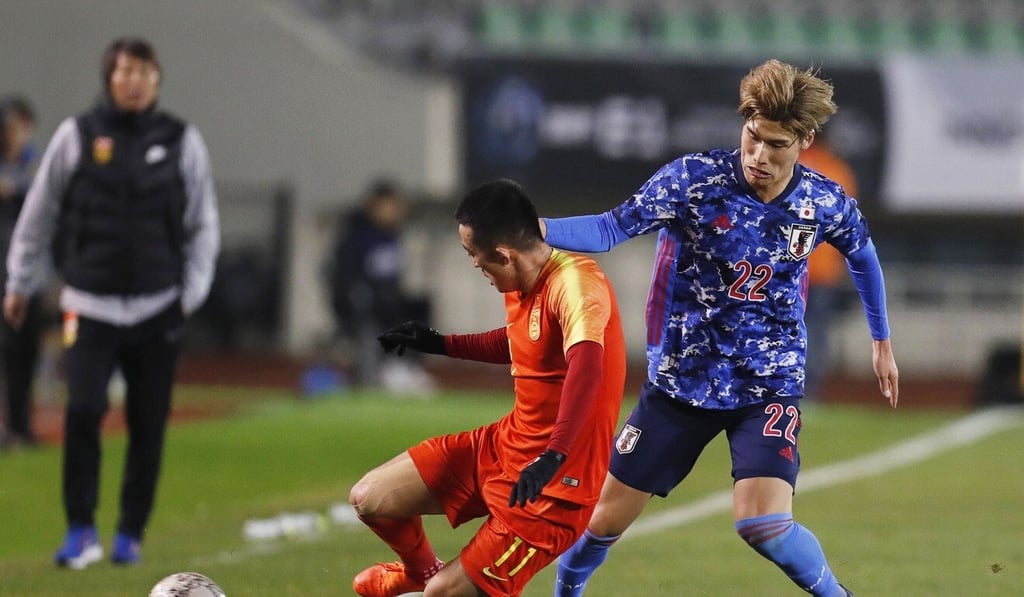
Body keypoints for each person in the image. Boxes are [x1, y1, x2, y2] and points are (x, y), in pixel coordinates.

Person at [542, 59, 899, 597]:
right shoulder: (694, 179)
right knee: (600, 521)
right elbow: (613, 226)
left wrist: (881, 341)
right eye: (753, 137)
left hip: (767, 382)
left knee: (763, 524)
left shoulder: (822, 200)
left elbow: (864, 257)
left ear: (805, 139)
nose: (759, 155)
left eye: (777, 145)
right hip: (682, 379)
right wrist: (535, 229)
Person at [349, 179, 627, 597]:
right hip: (502, 449)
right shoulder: (520, 282)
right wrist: (438, 343)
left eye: (475, 256)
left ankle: (437, 585)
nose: (475, 267)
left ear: (503, 253)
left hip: (552, 492)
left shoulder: (576, 284)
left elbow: (586, 368)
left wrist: (554, 455)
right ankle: (420, 572)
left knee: (443, 595)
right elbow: (520, 343)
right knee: (370, 497)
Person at [3, 36, 220, 569]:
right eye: (124, 71)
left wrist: (188, 296)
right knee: (82, 410)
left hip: (158, 306)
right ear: (109, 78)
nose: (134, 80)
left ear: (157, 79)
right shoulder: (75, 136)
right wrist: (18, 281)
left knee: (148, 422)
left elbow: (203, 225)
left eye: (144, 70)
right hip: (89, 303)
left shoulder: (181, 140)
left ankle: (129, 532)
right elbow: (40, 211)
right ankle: (80, 530)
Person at [325, 179, 434, 391]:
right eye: (391, 206)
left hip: (386, 300)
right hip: (360, 303)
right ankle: (383, 371)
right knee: (378, 312)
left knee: (420, 306)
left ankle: (405, 366)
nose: (396, 211)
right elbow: (344, 279)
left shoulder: (392, 237)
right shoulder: (356, 237)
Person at [799, 126, 861, 402]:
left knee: (778, 330)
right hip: (823, 268)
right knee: (816, 332)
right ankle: (809, 392)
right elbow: (846, 223)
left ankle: (777, 389)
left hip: (787, 269)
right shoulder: (837, 170)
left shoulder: (790, 165)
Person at [0, 95, 44, 449]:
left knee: (25, 352)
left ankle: (20, 426)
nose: (19, 135)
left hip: (27, 276)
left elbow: (46, 195)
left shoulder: (32, 163)